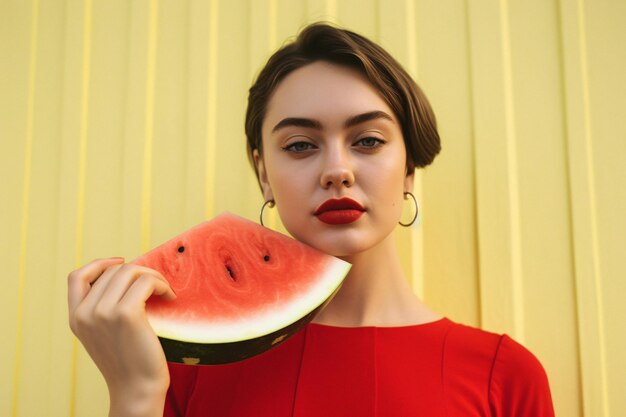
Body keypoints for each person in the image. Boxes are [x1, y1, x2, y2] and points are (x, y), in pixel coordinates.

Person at [67, 23, 554, 417]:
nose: (337, 170)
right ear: (264, 174)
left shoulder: (505, 375)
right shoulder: (181, 369)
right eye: (300, 145)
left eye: (368, 140)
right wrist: (134, 394)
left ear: (408, 168)